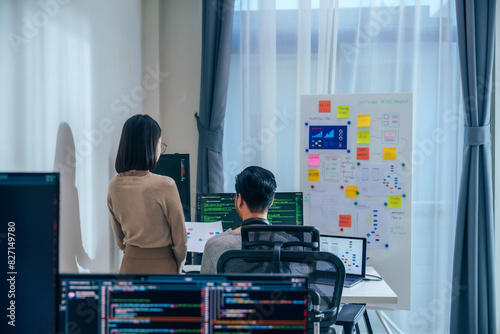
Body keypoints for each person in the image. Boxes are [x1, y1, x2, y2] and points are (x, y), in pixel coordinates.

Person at [107, 114, 187, 274]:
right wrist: (177, 265)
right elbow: (181, 242)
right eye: (159, 143)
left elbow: (120, 242)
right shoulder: (165, 185)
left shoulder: (114, 185)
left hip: (128, 266)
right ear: (149, 146)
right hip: (163, 267)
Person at [200, 166, 277, 274]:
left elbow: (206, 287)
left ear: (239, 199)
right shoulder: (291, 244)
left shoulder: (215, 244)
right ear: (271, 201)